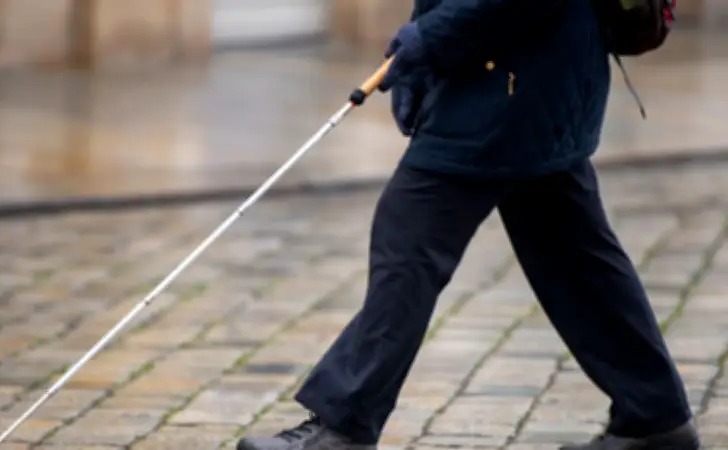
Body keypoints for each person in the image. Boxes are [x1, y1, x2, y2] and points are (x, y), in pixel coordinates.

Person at [236, 0, 701, 449]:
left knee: (410, 239)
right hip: (532, 82)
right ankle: (654, 415)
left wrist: (430, 39)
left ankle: (344, 424)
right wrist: (424, 62)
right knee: (575, 259)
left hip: (510, 90)